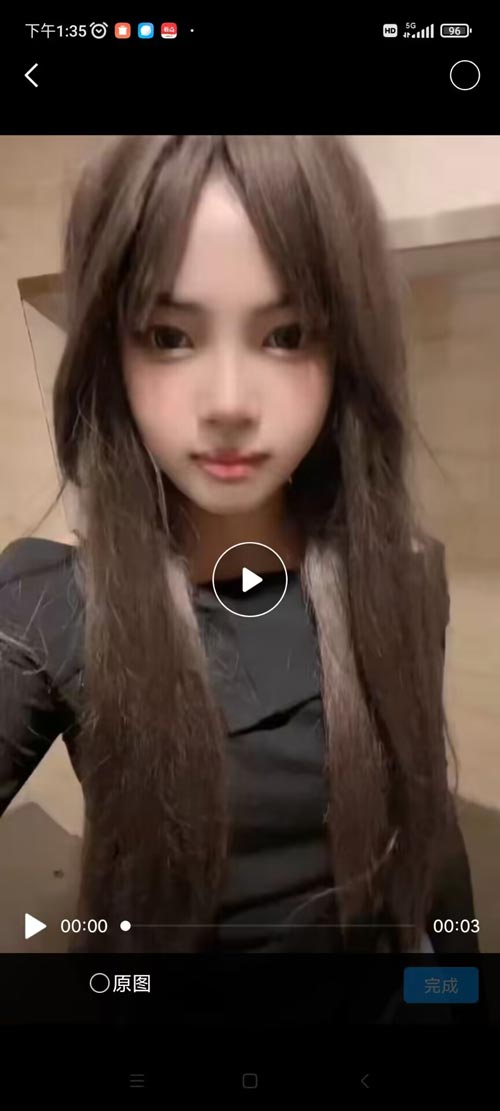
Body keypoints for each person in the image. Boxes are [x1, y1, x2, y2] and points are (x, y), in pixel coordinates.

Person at [0, 136, 478, 963]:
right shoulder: (46, 604)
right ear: (112, 351)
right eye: (169, 335)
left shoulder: (402, 573)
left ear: (344, 352)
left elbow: (430, 848)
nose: (227, 402)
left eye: (286, 334)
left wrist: (457, 994)